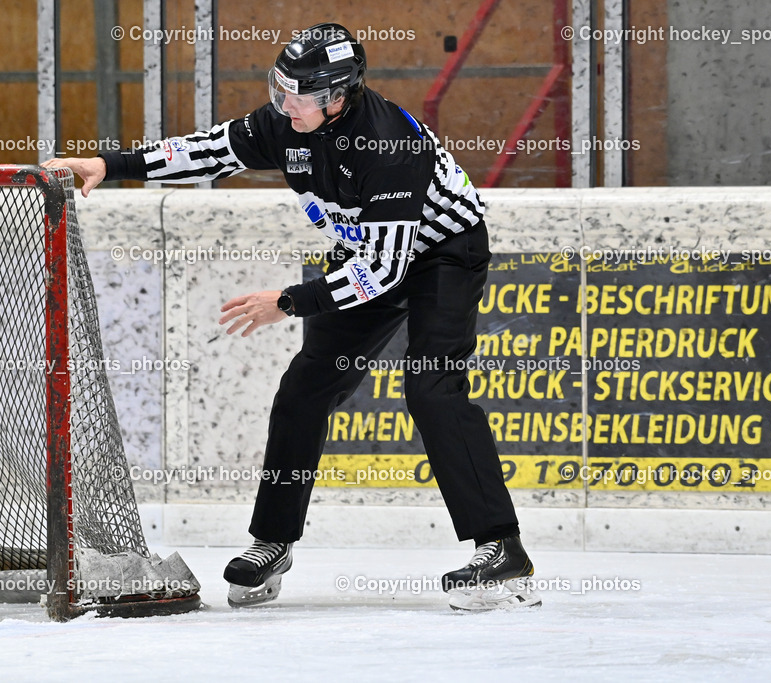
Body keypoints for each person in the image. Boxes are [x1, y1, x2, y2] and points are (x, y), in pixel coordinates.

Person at [44, 22, 538, 611]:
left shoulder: (388, 148)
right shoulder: (289, 123)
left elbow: (383, 273)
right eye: (281, 89)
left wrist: (286, 301)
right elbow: (209, 149)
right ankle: (272, 541)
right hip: (368, 248)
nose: (284, 105)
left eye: (299, 94)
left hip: (442, 255)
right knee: (304, 390)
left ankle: (501, 550)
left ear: (338, 94)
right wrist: (112, 162)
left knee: (432, 388)